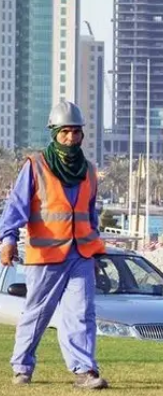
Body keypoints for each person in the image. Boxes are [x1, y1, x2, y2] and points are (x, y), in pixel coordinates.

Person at [0, 102, 108, 389]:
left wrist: (96, 251)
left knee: (81, 312)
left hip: (81, 254)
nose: (71, 138)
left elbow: (91, 215)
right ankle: (22, 367)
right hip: (46, 255)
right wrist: (7, 240)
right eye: (65, 133)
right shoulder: (35, 166)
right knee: (37, 313)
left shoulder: (89, 171)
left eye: (75, 132)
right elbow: (15, 209)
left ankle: (85, 370)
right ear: (54, 134)